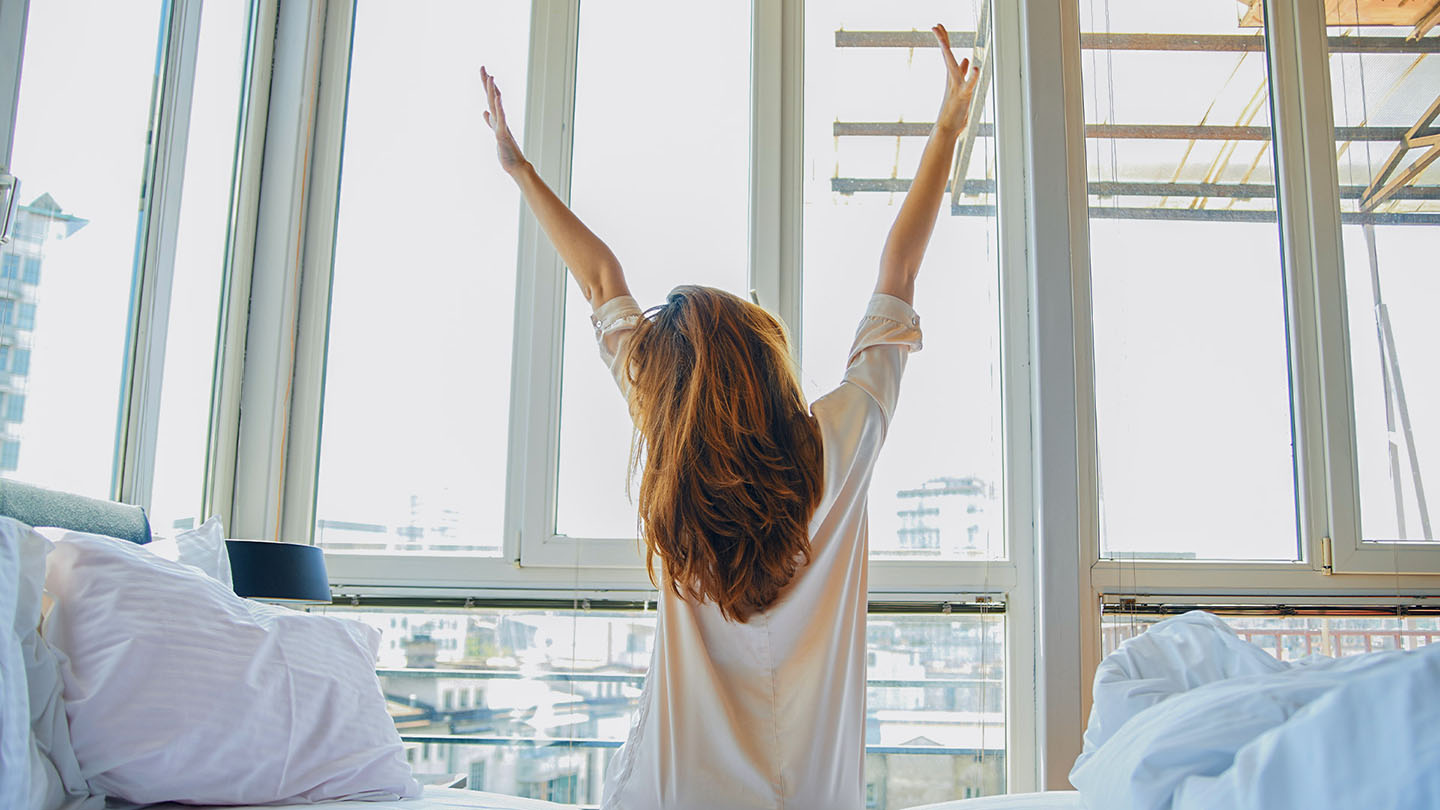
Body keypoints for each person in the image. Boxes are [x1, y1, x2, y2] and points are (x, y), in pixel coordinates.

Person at [480, 23, 981, 810]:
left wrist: (520, 169)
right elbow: (900, 268)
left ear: (678, 387)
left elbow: (601, 278)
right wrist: (948, 129)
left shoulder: (670, 441)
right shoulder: (840, 441)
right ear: (765, 354)